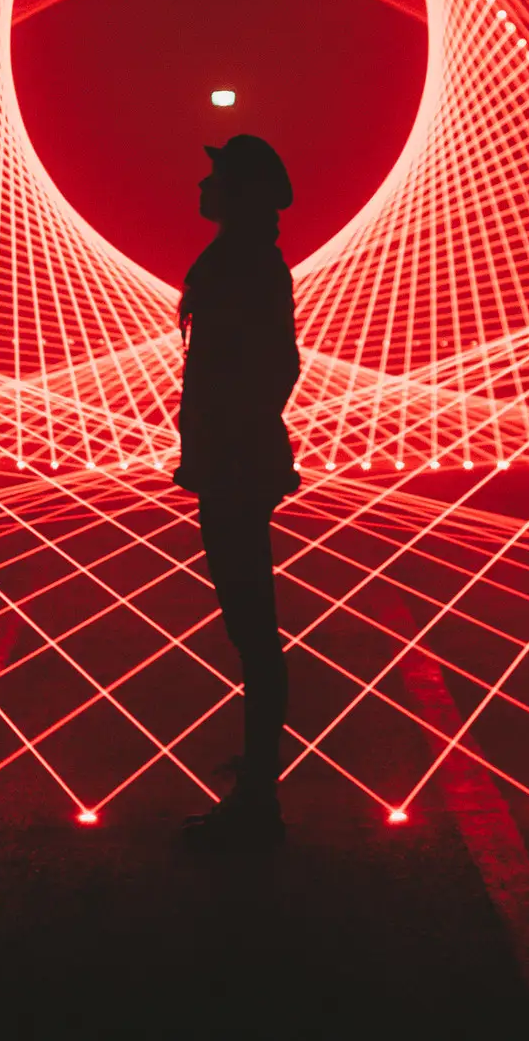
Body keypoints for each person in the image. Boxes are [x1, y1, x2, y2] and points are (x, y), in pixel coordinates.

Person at [173, 132, 300, 850]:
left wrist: (230, 440)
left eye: (213, 176)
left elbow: (273, 365)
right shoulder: (242, 261)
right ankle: (257, 777)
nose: (201, 185)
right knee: (249, 627)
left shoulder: (245, 265)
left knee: (252, 630)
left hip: (236, 465)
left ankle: (258, 801)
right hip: (233, 460)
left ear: (241, 193)